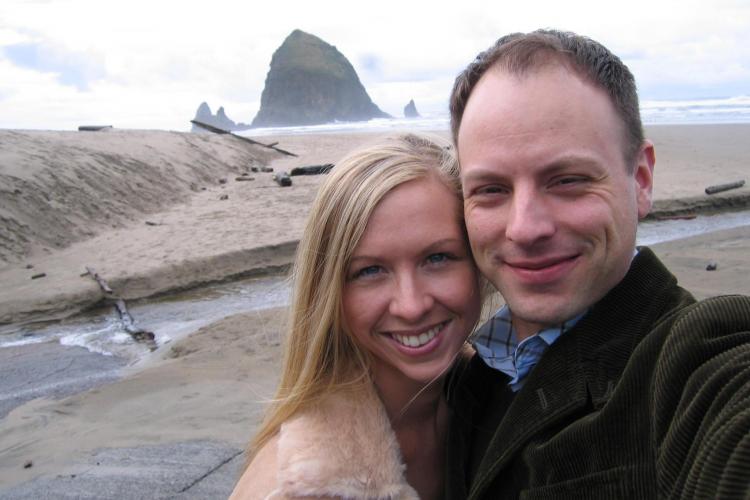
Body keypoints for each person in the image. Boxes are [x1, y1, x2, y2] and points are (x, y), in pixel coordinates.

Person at [444, 29, 750, 499]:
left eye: (567, 180)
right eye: (491, 190)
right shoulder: (462, 380)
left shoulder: (694, 362)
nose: (524, 228)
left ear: (640, 180)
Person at [230, 133, 484, 499]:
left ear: (479, 263)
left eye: (437, 258)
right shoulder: (297, 487)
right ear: (329, 293)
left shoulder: (505, 396)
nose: (411, 306)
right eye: (370, 271)